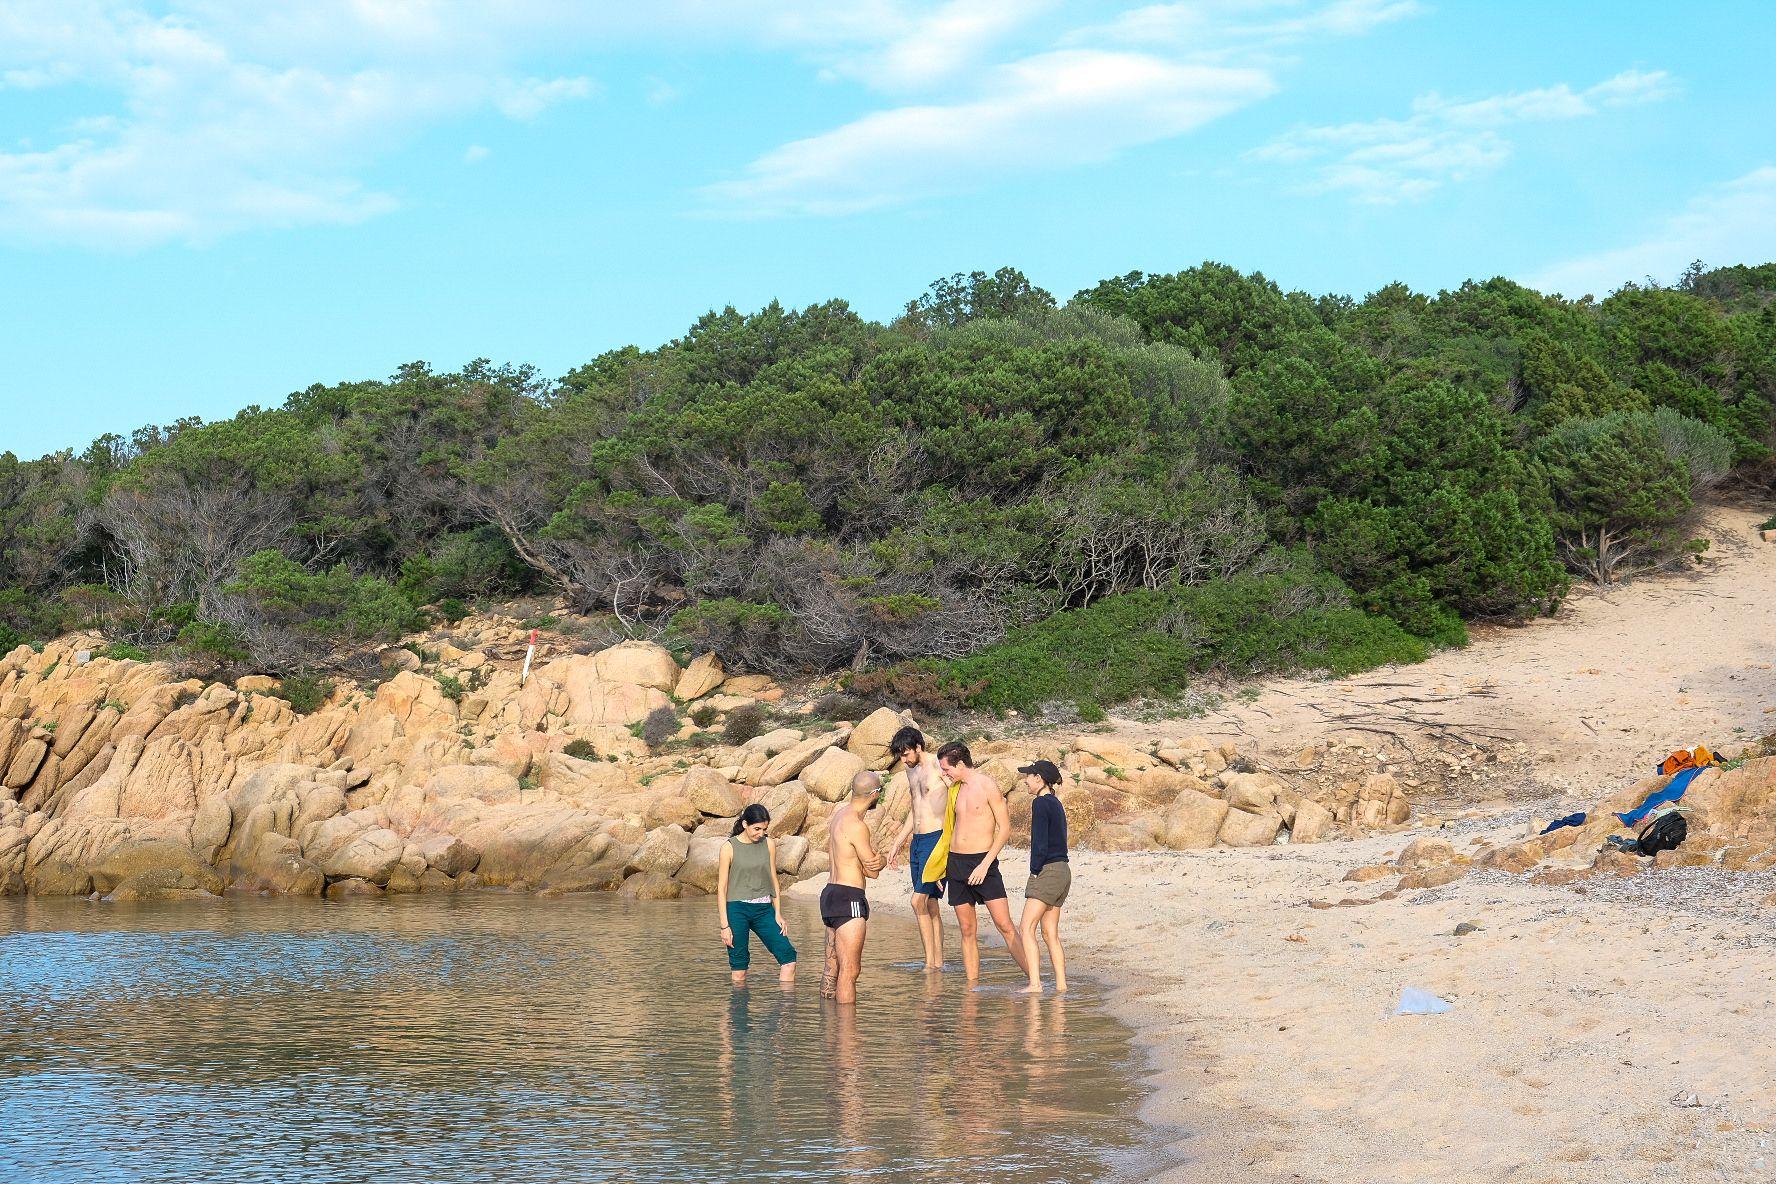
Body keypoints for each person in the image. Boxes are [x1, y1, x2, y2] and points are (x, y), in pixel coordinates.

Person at [934, 741, 1031, 984]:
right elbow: (949, 831)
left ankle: (1034, 979)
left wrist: (985, 864)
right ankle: (972, 988)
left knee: (1005, 925)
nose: (944, 774)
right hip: (956, 864)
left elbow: (1005, 828)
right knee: (967, 930)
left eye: (946, 769)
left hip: (983, 863)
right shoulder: (955, 788)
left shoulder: (987, 785)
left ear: (960, 764)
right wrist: (940, 868)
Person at [882, 725, 950, 971]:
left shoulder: (938, 766)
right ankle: (936, 963)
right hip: (918, 842)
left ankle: (930, 964)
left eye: (906, 754)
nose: (903, 760)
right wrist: (898, 842)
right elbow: (915, 809)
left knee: (917, 901)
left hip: (936, 839)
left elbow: (956, 801)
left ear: (918, 747)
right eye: (900, 756)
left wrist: (948, 849)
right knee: (930, 904)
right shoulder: (910, 771)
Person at [820, 771, 885, 1004]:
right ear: (874, 794)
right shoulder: (857, 825)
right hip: (850, 897)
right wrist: (882, 860)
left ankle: (828, 1022)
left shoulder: (839, 815)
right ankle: (847, 1026)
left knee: (831, 968)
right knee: (850, 971)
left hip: (830, 894)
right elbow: (872, 870)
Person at [716, 804, 797, 989]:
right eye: (757, 829)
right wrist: (724, 926)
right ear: (745, 824)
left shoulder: (769, 844)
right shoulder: (728, 848)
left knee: (788, 959)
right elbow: (721, 889)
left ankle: (786, 1006)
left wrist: (778, 913)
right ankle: (739, 1008)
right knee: (739, 969)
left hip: (764, 909)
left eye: (764, 829)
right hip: (737, 910)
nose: (761, 833)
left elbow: (773, 879)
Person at [1015, 759, 1070, 994]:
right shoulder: (1056, 802)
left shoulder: (1039, 803)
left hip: (1048, 870)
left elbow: (1039, 843)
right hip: (1063, 871)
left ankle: (1035, 984)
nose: (1025, 781)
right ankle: (1061, 986)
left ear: (1039, 778)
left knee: (1026, 928)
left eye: (1028, 776)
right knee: (1050, 933)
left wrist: (1035, 871)